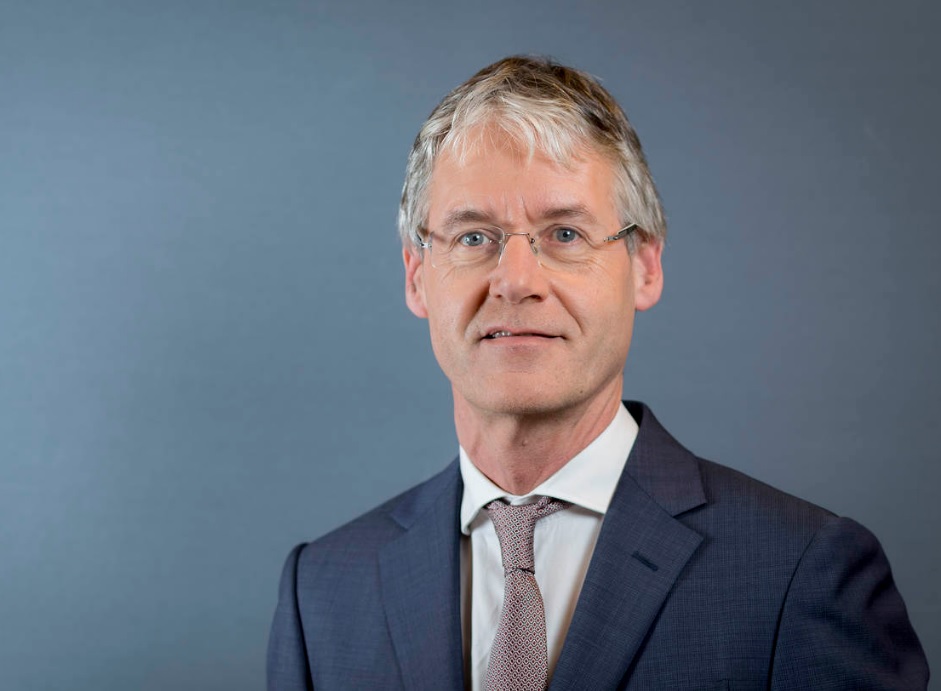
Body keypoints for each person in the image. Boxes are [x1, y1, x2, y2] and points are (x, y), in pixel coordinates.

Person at [266, 56, 929, 690]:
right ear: (417, 277)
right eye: (473, 237)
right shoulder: (322, 591)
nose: (516, 281)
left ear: (644, 266)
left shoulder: (799, 572)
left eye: (565, 234)